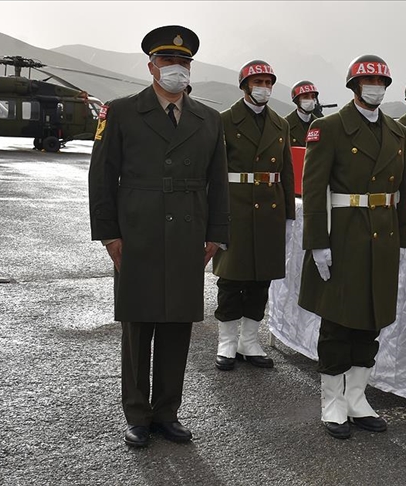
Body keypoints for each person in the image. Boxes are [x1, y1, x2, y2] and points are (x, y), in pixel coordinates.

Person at [88, 25, 229, 447]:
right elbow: (102, 176)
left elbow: (218, 183)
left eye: (183, 62)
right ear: (151, 66)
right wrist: (109, 234)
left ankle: (167, 412)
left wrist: (216, 234)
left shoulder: (209, 119)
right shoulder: (121, 112)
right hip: (137, 233)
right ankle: (137, 414)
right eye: (168, 61)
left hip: (189, 235)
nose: (176, 69)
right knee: (138, 326)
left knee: (177, 327)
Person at [298, 54, 406, 439]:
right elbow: (314, 190)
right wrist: (317, 244)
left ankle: (357, 397)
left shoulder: (398, 132)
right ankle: (333, 401)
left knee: (371, 320)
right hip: (344, 235)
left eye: (381, 82)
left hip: (383, 236)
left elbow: (403, 190)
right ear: (354, 86)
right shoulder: (327, 128)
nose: (376, 88)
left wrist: (403, 237)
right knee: (338, 323)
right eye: (368, 82)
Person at [212, 60, 295, 371]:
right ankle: (227, 342)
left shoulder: (280, 124)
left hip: (269, 207)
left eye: (268, 82)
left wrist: (288, 215)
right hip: (236, 204)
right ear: (245, 86)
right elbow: (215, 172)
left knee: (261, 279)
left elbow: (286, 171)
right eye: (258, 81)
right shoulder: (224, 120)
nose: (264, 88)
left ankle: (250, 341)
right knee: (232, 278)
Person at [285, 80, 321, 147]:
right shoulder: (285, 124)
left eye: (313, 96)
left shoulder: (321, 125)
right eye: (305, 97)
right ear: (297, 100)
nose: (310, 100)